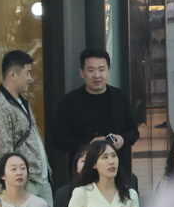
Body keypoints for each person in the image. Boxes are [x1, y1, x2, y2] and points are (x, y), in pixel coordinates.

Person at [51, 46, 141, 186]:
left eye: (101, 69)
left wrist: (122, 139)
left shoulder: (119, 97)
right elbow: (57, 139)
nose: (97, 75)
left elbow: (134, 132)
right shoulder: (69, 102)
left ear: (108, 71)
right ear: (82, 72)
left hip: (118, 174)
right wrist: (88, 145)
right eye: (91, 70)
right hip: (84, 175)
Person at [0, 49, 50, 207]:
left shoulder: (21, 100)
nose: (30, 78)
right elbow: (3, 153)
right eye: (27, 73)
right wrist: (14, 187)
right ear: (13, 75)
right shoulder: (0, 107)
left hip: (41, 180)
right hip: (24, 184)